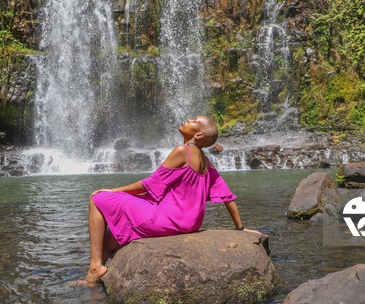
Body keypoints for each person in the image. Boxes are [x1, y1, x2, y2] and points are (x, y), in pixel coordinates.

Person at [84, 116, 259, 283]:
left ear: (198, 135)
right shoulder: (206, 161)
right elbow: (227, 196)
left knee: (97, 198)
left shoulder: (183, 151)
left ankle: (95, 268)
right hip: (190, 223)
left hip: (166, 219)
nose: (189, 120)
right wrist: (240, 228)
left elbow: (150, 184)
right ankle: (94, 279)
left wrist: (114, 190)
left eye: (194, 121)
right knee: (110, 240)